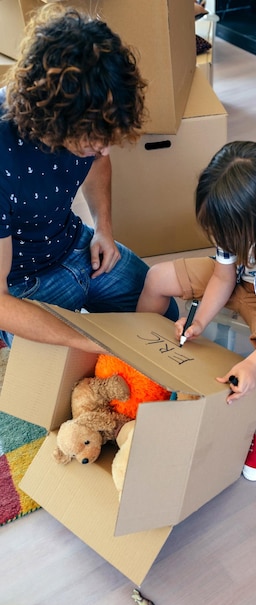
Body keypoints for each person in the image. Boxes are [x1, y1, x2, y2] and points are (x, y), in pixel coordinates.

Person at [136, 140, 256, 481]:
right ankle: (143, 356)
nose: (221, 238)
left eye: (227, 233)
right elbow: (223, 277)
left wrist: (253, 364)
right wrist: (197, 321)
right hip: (238, 282)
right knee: (156, 277)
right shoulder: (234, 215)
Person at [0, 4, 178, 353]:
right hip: (22, 284)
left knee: (164, 314)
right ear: (51, 117)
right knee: (54, 377)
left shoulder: (88, 134)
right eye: (92, 139)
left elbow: (97, 162)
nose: (105, 148)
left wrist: (104, 228)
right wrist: (88, 340)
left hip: (74, 245)